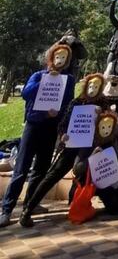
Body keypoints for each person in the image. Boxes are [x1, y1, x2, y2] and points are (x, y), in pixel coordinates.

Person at [0, 43, 76, 228]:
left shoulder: (69, 80)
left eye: (64, 58)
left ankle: (29, 206)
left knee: (40, 170)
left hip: (51, 130)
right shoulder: (38, 75)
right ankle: (7, 209)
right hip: (33, 127)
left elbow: (67, 104)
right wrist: (45, 81)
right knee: (21, 169)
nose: (60, 60)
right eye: (58, 56)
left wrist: (59, 122)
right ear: (51, 58)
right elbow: (25, 93)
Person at [19, 73, 112, 221]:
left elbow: (109, 127)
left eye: (96, 86)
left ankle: (79, 208)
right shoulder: (76, 102)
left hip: (90, 147)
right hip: (72, 144)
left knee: (82, 171)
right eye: (90, 85)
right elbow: (63, 123)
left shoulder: (103, 104)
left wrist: (103, 116)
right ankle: (28, 209)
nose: (92, 89)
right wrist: (63, 134)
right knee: (53, 174)